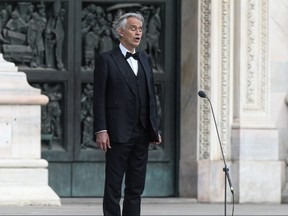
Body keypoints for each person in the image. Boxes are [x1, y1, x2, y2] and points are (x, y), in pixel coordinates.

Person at [93, 12, 161, 216]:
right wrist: (101, 129)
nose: (138, 32)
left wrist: (154, 128)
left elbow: (151, 95)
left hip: (141, 134)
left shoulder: (146, 59)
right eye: (133, 28)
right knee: (113, 187)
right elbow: (99, 98)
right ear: (120, 32)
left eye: (140, 29)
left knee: (135, 187)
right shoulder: (106, 60)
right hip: (117, 134)